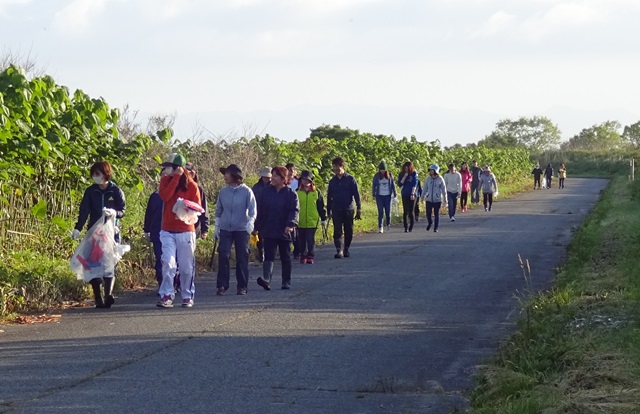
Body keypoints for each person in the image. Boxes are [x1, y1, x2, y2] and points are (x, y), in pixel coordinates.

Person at [73, 161, 126, 309]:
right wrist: (78, 228)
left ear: (105, 174)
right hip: (94, 233)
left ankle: (108, 295)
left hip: (111, 232)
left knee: (110, 262)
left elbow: (122, 210)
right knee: (92, 263)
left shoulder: (115, 191)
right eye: (94, 174)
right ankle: (98, 298)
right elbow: (84, 211)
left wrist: (114, 213)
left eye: (98, 174)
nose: (95, 177)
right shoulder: (91, 191)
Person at [156, 153, 201, 308]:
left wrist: (185, 207)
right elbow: (165, 196)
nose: (166, 169)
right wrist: (174, 178)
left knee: (186, 266)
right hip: (167, 229)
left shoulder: (192, 186)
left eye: (170, 166)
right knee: (168, 262)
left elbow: (198, 208)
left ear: (178, 168)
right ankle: (167, 294)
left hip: (185, 230)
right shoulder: (165, 181)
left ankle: (187, 295)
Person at [214, 164, 257, 296]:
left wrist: (251, 222)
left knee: (242, 256)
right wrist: (217, 225)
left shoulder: (247, 191)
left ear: (235, 176)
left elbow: (252, 210)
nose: (225, 176)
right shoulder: (223, 192)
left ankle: (242, 286)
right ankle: (222, 285)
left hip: (242, 228)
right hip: (226, 228)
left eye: (227, 174)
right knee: (223, 254)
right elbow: (219, 210)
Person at [254, 166, 299, 290]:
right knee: (269, 255)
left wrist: (290, 224)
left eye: (275, 175)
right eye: (272, 175)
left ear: (283, 178)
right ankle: (267, 279)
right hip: (269, 228)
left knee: (285, 256)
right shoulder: (265, 192)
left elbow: (294, 210)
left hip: (284, 229)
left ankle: (286, 281)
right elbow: (259, 210)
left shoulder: (291, 193)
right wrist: (256, 226)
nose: (272, 178)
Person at [327, 157, 362, 258]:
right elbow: (329, 196)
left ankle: (346, 248)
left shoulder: (350, 179)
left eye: (338, 168)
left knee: (348, 230)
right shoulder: (332, 181)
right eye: (334, 168)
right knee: (337, 230)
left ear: (343, 167)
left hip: (348, 208)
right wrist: (328, 210)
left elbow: (356, 194)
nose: (336, 170)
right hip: (336, 209)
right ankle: (339, 250)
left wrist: (359, 208)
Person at [143, 167, 169, 288]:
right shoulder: (154, 196)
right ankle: (162, 283)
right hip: (156, 231)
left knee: (171, 259)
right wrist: (146, 230)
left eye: (167, 174)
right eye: (162, 174)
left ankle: (173, 282)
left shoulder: (174, 194)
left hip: (171, 231)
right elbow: (149, 213)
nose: (164, 177)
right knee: (159, 259)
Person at [296, 170, 327, 264]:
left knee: (310, 239)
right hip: (300, 219)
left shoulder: (316, 193)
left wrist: (323, 218)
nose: (305, 182)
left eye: (307, 180)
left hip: (312, 219)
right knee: (301, 239)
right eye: (303, 179)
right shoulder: (297, 192)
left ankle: (310, 255)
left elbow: (320, 206)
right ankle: (303, 255)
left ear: (311, 181)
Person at [251, 167, 272, 262]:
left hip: (270, 213)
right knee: (258, 234)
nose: (266, 178)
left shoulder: (273, 186)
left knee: (268, 234)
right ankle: (261, 251)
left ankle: (268, 252)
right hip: (258, 212)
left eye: (268, 177)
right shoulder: (256, 187)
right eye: (264, 176)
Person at [372, 160, 396, 233]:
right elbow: (374, 185)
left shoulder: (390, 175)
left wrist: (395, 193)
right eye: (381, 169)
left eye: (383, 169)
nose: (382, 171)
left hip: (388, 196)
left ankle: (388, 223)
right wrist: (373, 193)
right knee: (380, 212)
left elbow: (392, 185)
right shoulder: (377, 176)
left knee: (388, 212)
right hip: (379, 196)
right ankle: (380, 227)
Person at [186, 162, 209, 239]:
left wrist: (204, 229)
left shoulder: (198, 190)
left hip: (194, 228)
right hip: (177, 229)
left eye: (189, 172)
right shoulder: (176, 188)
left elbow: (203, 209)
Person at [422, 164, 447, 233]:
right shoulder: (428, 179)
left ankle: (436, 228)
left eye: (432, 170)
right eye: (430, 170)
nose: (431, 171)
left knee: (436, 214)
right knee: (428, 213)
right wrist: (422, 197)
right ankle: (430, 222)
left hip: (437, 199)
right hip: (429, 199)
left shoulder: (440, 179)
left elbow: (444, 190)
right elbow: (424, 188)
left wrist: (445, 200)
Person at [397, 161, 419, 232]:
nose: (406, 169)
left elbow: (414, 184)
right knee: (405, 211)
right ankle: (405, 227)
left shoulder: (414, 174)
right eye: (405, 168)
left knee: (411, 211)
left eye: (407, 168)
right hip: (405, 194)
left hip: (412, 194)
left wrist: (412, 194)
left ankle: (411, 226)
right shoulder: (402, 174)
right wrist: (405, 176)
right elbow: (400, 184)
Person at [286, 163, 301, 259]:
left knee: (297, 230)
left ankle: (297, 249)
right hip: (286, 208)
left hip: (298, 208)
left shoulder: (299, 182)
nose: (291, 172)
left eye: (292, 170)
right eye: (289, 170)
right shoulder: (284, 183)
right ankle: (287, 249)